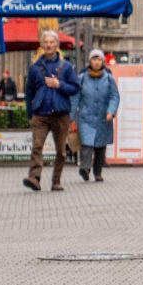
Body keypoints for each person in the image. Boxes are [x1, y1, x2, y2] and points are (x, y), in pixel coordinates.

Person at [23, 30, 79, 192]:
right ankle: (34, 178)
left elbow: (75, 88)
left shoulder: (67, 67)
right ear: (41, 45)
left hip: (61, 114)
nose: (48, 45)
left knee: (61, 152)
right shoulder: (34, 68)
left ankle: (56, 181)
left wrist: (59, 84)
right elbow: (29, 93)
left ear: (56, 45)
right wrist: (30, 115)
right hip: (40, 114)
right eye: (45, 42)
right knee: (37, 147)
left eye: (51, 42)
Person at [71, 49, 119, 182]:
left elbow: (114, 96)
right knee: (86, 144)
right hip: (86, 117)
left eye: (99, 60)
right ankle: (85, 168)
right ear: (89, 61)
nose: (96, 62)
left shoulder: (109, 78)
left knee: (100, 146)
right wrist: (71, 118)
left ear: (103, 62)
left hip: (104, 117)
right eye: (94, 59)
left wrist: (111, 111)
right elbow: (75, 98)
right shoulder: (82, 78)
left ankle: (98, 172)